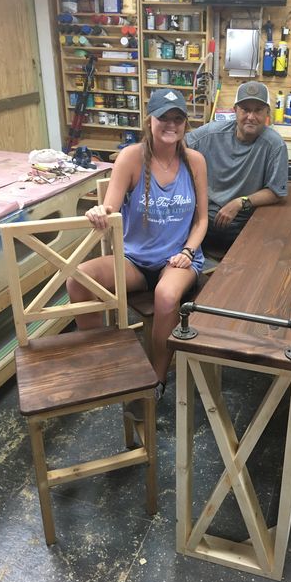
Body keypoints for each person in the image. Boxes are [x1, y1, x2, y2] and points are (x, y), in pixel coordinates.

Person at [67, 88, 208, 407]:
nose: (170, 124)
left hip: (177, 259)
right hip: (134, 261)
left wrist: (187, 252)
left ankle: (157, 378)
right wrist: (99, 211)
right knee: (77, 279)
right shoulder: (132, 157)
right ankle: (102, 359)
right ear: (150, 120)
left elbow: (201, 221)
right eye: (164, 117)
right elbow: (110, 207)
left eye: (178, 118)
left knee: (167, 295)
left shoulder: (195, 161)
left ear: (185, 124)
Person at [186, 80, 288, 249]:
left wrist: (241, 202)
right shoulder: (211, 133)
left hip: (242, 225)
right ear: (235, 111)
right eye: (245, 110)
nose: (251, 117)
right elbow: (179, 147)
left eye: (258, 110)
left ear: (267, 113)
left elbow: (277, 192)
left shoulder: (275, 145)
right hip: (200, 221)